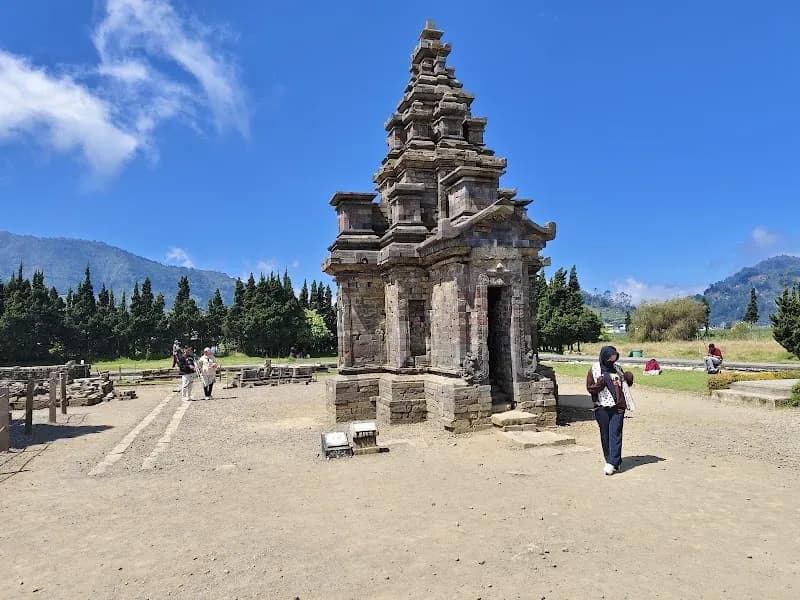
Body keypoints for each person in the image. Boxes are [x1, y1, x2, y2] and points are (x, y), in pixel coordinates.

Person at [586, 345, 636, 476]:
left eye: (614, 358)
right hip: (601, 407)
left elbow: (624, 384)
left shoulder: (617, 369)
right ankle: (613, 460)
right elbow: (590, 388)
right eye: (609, 358)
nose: (612, 361)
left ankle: (611, 462)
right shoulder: (594, 370)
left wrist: (628, 378)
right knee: (605, 435)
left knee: (615, 433)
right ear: (604, 357)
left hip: (618, 407)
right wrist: (600, 384)